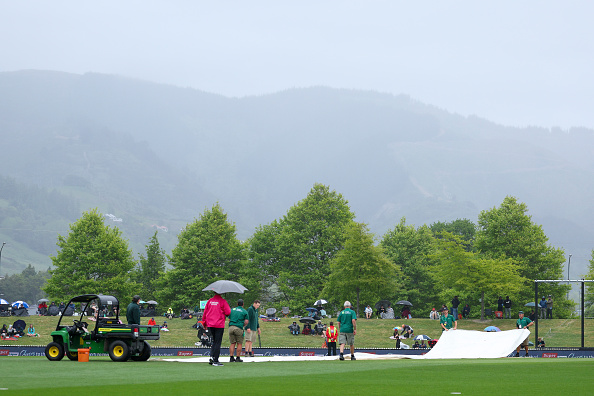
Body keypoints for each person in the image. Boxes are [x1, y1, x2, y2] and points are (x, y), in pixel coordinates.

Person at [203, 292, 231, 366]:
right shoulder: (223, 301)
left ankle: (212, 357)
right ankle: (216, 359)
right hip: (219, 324)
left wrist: (204, 323)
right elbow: (228, 312)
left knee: (214, 341)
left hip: (210, 324)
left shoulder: (210, 301)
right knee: (217, 342)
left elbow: (205, 312)